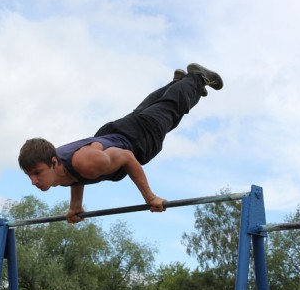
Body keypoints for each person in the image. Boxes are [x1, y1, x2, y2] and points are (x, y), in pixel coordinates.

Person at [18, 63, 223, 223]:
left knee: (172, 109)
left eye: (37, 173)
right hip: (111, 135)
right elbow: (75, 177)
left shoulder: (86, 162)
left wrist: (150, 198)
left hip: (136, 138)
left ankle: (197, 78)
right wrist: (75, 206)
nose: (34, 181)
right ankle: (177, 84)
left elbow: (125, 157)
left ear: (53, 162)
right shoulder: (57, 172)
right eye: (29, 176)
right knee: (146, 109)